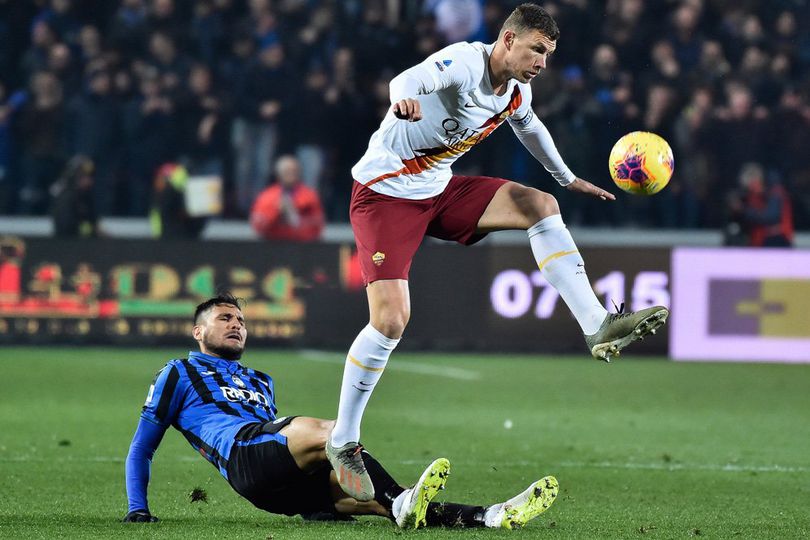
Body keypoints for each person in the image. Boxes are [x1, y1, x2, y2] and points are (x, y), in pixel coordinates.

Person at [327, 3, 670, 501]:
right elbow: (405, 80)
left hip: (437, 188)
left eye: (549, 53)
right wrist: (404, 103)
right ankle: (343, 441)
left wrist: (567, 178)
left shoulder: (515, 92)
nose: (542, 62)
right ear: (508, 40)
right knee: (391, 320)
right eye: (537, 49)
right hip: (386, 194)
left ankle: (596, 324)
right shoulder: (465, 63)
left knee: (539, 204)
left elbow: (530, 128)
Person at [123, 293, 559, 530]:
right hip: (244, 457)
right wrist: (137, 509)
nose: (237, 324)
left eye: (241, 319)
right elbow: (142, 448)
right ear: (199, 331)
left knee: (382, 501)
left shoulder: (260, 380)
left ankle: (490, 516)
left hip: (280, 488)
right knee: (333, 430)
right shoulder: (178, 372)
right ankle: (401, 499)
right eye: (224, 318)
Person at [249, 155, 325, 242]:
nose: (291, 174)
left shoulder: (310, 196)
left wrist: (296, 213)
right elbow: (257, 226)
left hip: (302, 247)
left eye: (294, 171)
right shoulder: (266, 196)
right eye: (287, 171)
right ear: (279, 174)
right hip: (272, 245)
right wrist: (276, 210)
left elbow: (317, 226)